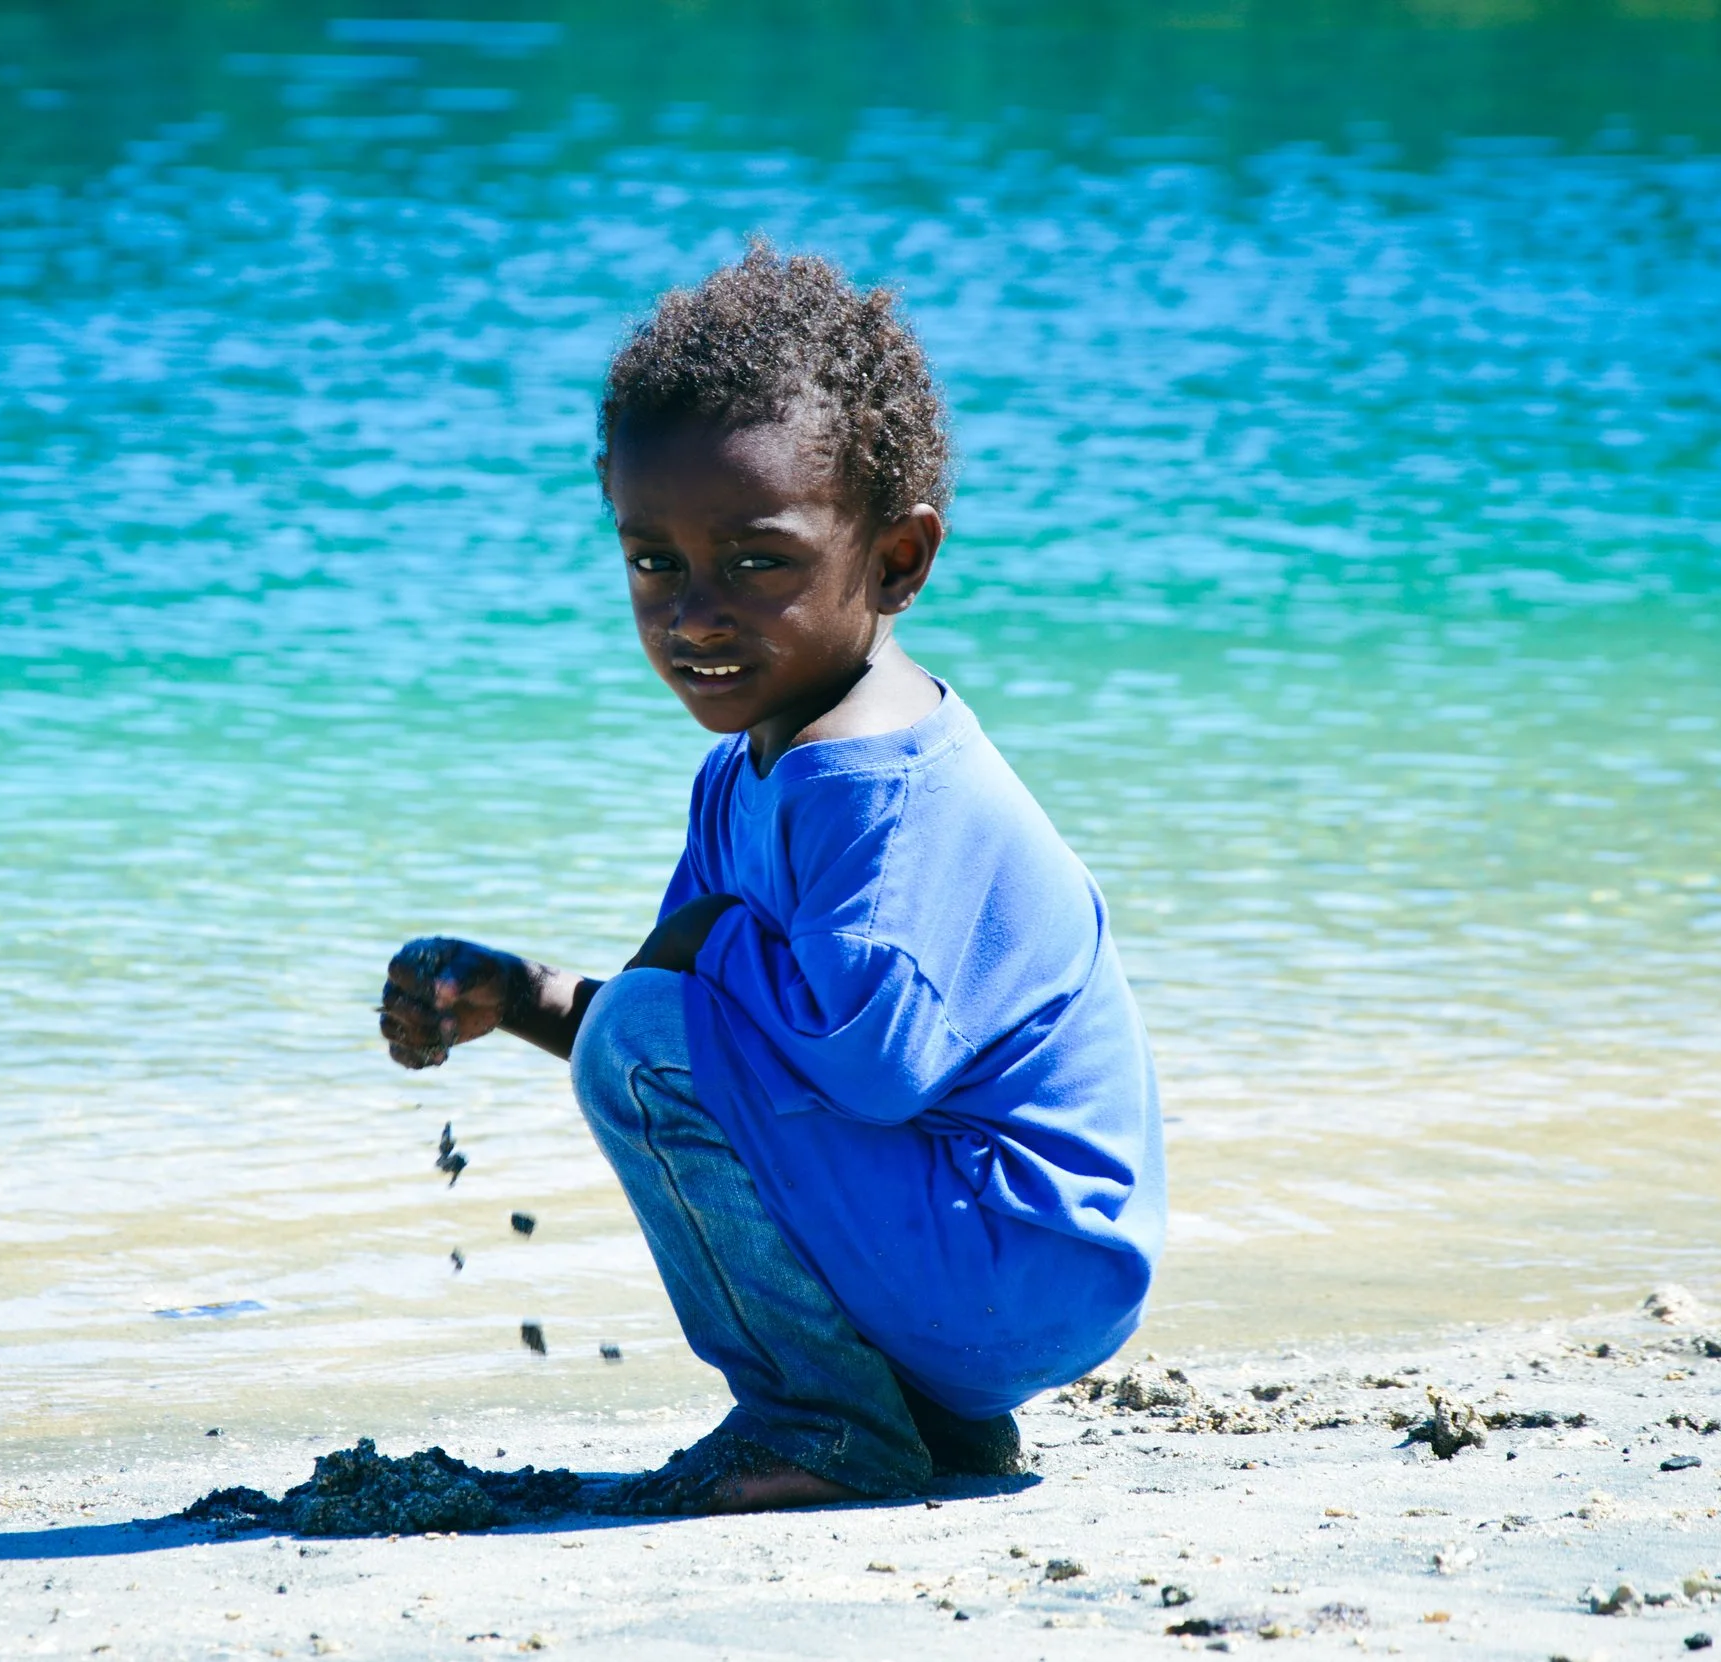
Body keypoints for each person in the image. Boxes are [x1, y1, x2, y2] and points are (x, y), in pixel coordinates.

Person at [379, 244, 1165, 1514]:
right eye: (654, 562)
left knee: (640, 1034)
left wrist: (686, 948)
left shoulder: (871, 786)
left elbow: (853, 1065)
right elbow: (719, 1046)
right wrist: (518, 996)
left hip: (1018, 1257)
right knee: (638, 1032)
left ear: (897, 562)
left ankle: (824, 1421)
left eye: (755, 562)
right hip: (984, 1273)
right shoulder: (763, 765)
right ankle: (910, 1425)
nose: (693, 614)